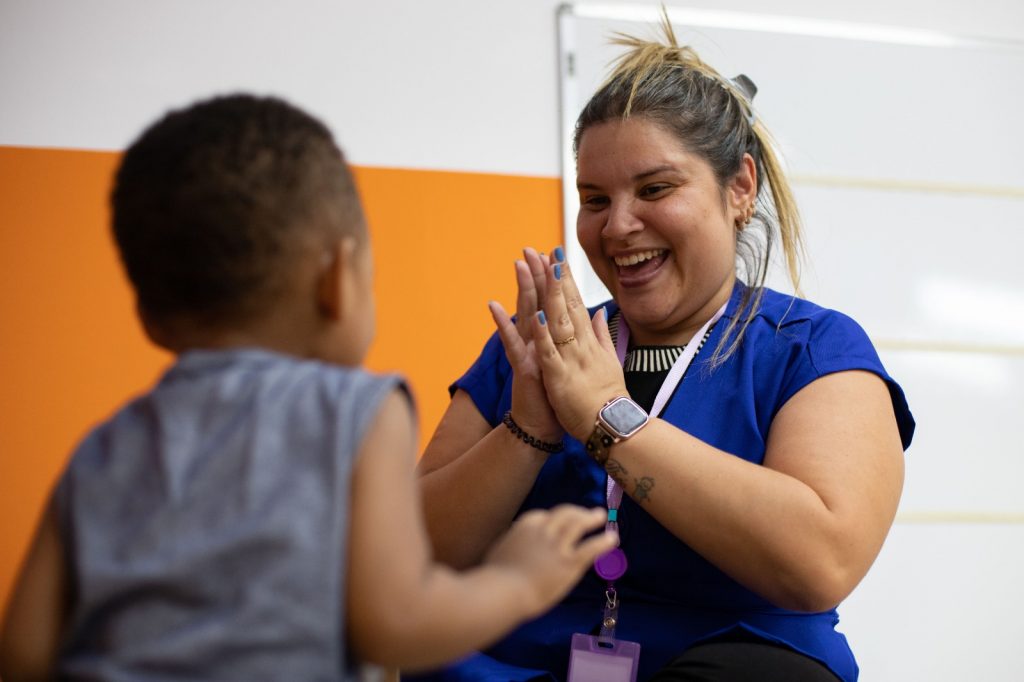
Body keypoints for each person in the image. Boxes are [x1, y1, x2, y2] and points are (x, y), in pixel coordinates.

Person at [0, 94, 619, 682]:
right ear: (336, 282)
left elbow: (25, 652)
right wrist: (515, 582)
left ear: (148, 315)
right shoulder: (356, 412)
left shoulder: (107, 443)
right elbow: (393, 623)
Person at [415, 17, 915, 682]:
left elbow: (820, 563)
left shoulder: (813, 350)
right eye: (595, 199)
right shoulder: (534, 351)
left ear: (740, 188)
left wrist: (608, 417)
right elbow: (412, 556)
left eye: (655, 189)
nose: (618, 226)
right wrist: (528, 428)